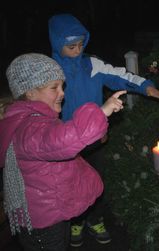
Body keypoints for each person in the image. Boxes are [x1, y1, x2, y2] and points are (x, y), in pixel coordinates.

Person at [48, 13, 159, 246]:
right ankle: (75, 221)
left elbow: (119, 75)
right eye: (71, 46)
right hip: (64, 142)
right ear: (57, 43)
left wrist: (146, 87)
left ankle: (95, 219)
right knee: (69, 184)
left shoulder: (92, 64)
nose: (77, 50)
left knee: (95, 181)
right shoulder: (51, 72)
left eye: (81, 44)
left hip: (94, 140)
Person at [0, 53, 126, 250]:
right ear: (30, 92)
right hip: (44, 224)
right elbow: (60, 140)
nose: (62, 93)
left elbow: (55, 150)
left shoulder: (31, 120)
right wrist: (102, 112)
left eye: (61, 86)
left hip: (49, 214)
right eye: (54, 88)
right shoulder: (30, 128)